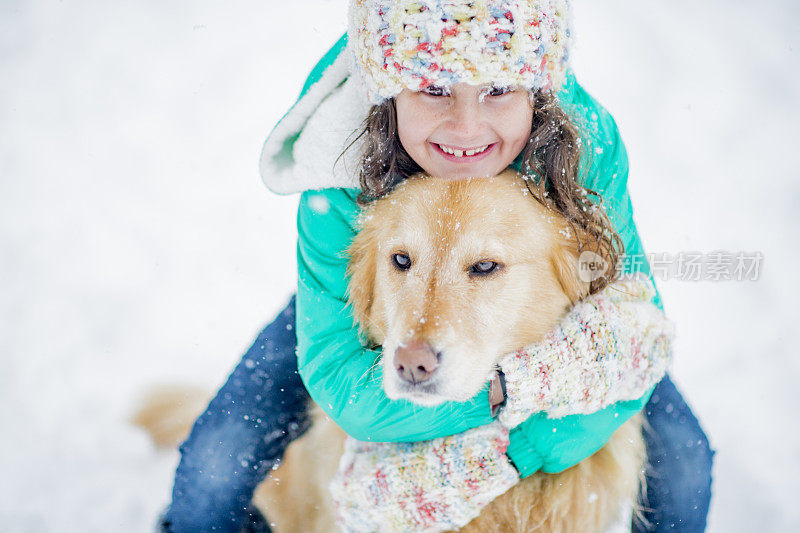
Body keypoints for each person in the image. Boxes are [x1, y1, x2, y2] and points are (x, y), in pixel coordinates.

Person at [159, 2, 713, 531]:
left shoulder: (583, 141)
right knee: (218, 461)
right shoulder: (332, 162)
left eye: (498, 90)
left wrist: (521, 434)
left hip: (550, 318)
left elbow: (636, 320)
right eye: (433, 88)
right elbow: (341, 386)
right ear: (388, 92)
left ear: (536, 93)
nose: (466, 127)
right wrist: (497, 398)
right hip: (338, 299)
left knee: (685, 470)